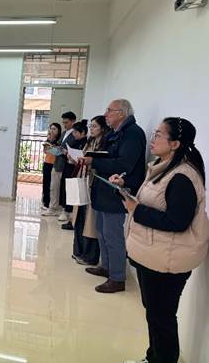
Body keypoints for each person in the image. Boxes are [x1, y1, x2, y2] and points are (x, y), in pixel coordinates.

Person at [112, 118, 208, 363]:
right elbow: (153, 200)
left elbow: (178, 221)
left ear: (175, 143)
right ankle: (152, 357)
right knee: (155, 314)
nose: (152, 140)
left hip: (168, 260)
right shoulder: (162, 167)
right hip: (154, 254)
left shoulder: (182, 176)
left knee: (162, 318)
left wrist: (136, 210)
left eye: (158, 135)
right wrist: (125, 187)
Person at [80, 99, 146, 293]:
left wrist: (94, 162)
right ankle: (106, 266)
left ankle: (117, 278)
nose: (105, 114)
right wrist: (91, 158)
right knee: (101, 230)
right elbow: (109, 156)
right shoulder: (116, 133)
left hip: (115, 192)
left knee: (113, 235)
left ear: (122, 113)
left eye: (109, 110)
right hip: (104, 189)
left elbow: (124, 164)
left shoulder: (133, 134)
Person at [71, 115, 108, 265]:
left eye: (94, 126)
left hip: (93, 184)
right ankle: (78, 251)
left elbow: (101, 163)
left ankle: (89, 256)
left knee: (90, 222)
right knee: (80, 218)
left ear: (103, 128)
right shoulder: (89, 142)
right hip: (83, 182)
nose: (91, 129)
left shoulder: (105, 144)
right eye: (90, 126)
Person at [42, 112, 77, 217]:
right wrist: (52, 148)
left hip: (66, 165)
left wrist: (61, 151)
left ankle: (63, 210)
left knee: (63, 189)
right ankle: (52, 208)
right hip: (57, 164)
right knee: (53, 188)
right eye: (63, 122)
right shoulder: (64, 133)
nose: (64, 125)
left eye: (66, 122)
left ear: (73, 121)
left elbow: (68, 150)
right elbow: (58, 146)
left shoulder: (74, 134)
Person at [60, 119, 89, 230]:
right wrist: (67, 154)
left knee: (76, 196)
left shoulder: (85, 143)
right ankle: (68, 215)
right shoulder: (74, 141)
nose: (74, 134)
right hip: (69, 168)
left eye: (76, 132)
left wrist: (73, 158)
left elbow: (83, 159)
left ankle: (73, 219)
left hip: (77, 171)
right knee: (68, 192)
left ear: (83, 133)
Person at [41, 123, 62, 211]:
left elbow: (58, 152)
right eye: (51, 128)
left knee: (52, 185)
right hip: (47, 163)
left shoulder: (60, 140)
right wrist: (49, 141)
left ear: (58, 131)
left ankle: (52, 204)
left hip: (55, 164)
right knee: (46, 184)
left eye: (54, 129)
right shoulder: (48, 139)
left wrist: (52, 147)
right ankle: (45, 203)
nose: (52, 131)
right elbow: (46, 151)